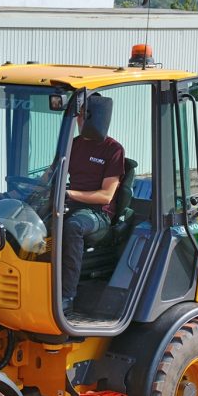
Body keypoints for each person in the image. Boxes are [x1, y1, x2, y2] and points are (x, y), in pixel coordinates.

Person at [61, 95, 124, 314]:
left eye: (81, 116)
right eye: (77, 116)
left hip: (97, 215)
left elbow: (106, 196)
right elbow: (51, 175)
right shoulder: (73, 145)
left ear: (95, 118)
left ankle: (66, 296)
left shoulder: (113, 150)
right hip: (70, 204)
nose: (79, 121)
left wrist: (69, 193)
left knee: (73, 227)